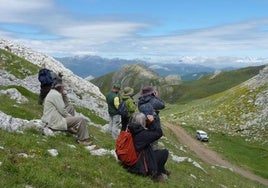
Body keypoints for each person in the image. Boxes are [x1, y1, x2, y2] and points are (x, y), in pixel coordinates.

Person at [41, 79, 92, 146]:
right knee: (80, 119)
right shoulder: (56, 95)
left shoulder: (53, 92)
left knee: (70, 107)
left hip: (52, 117)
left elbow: (66, 104)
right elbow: (62, 110)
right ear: (60, 87)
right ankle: (82, 140)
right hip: (54, 121)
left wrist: (64, 95)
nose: (64, 88)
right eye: (63, 87)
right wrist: (72, 118)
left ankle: (69, 128)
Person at [127, 110, 170, 183]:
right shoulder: (142, 135)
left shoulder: (131, 130)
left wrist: (148, 124)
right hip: (139, 165)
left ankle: (163, 170)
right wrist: (153, 122)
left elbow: (149, 132)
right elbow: (158, 133)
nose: (145, 122)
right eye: (144, 121)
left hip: (135, 158)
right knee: (164, 153)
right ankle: (156, 174)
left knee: (155, 152)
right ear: (141, 122)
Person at [138, 86, 165, 150]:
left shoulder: (140, 101)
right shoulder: (153, 100)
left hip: (144, 122)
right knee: (154, 140)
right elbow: (162, 105)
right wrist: (157, 97)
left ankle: (146, 153)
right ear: (151, 93)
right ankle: (153, 155)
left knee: (147, 138)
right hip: (153, 121)